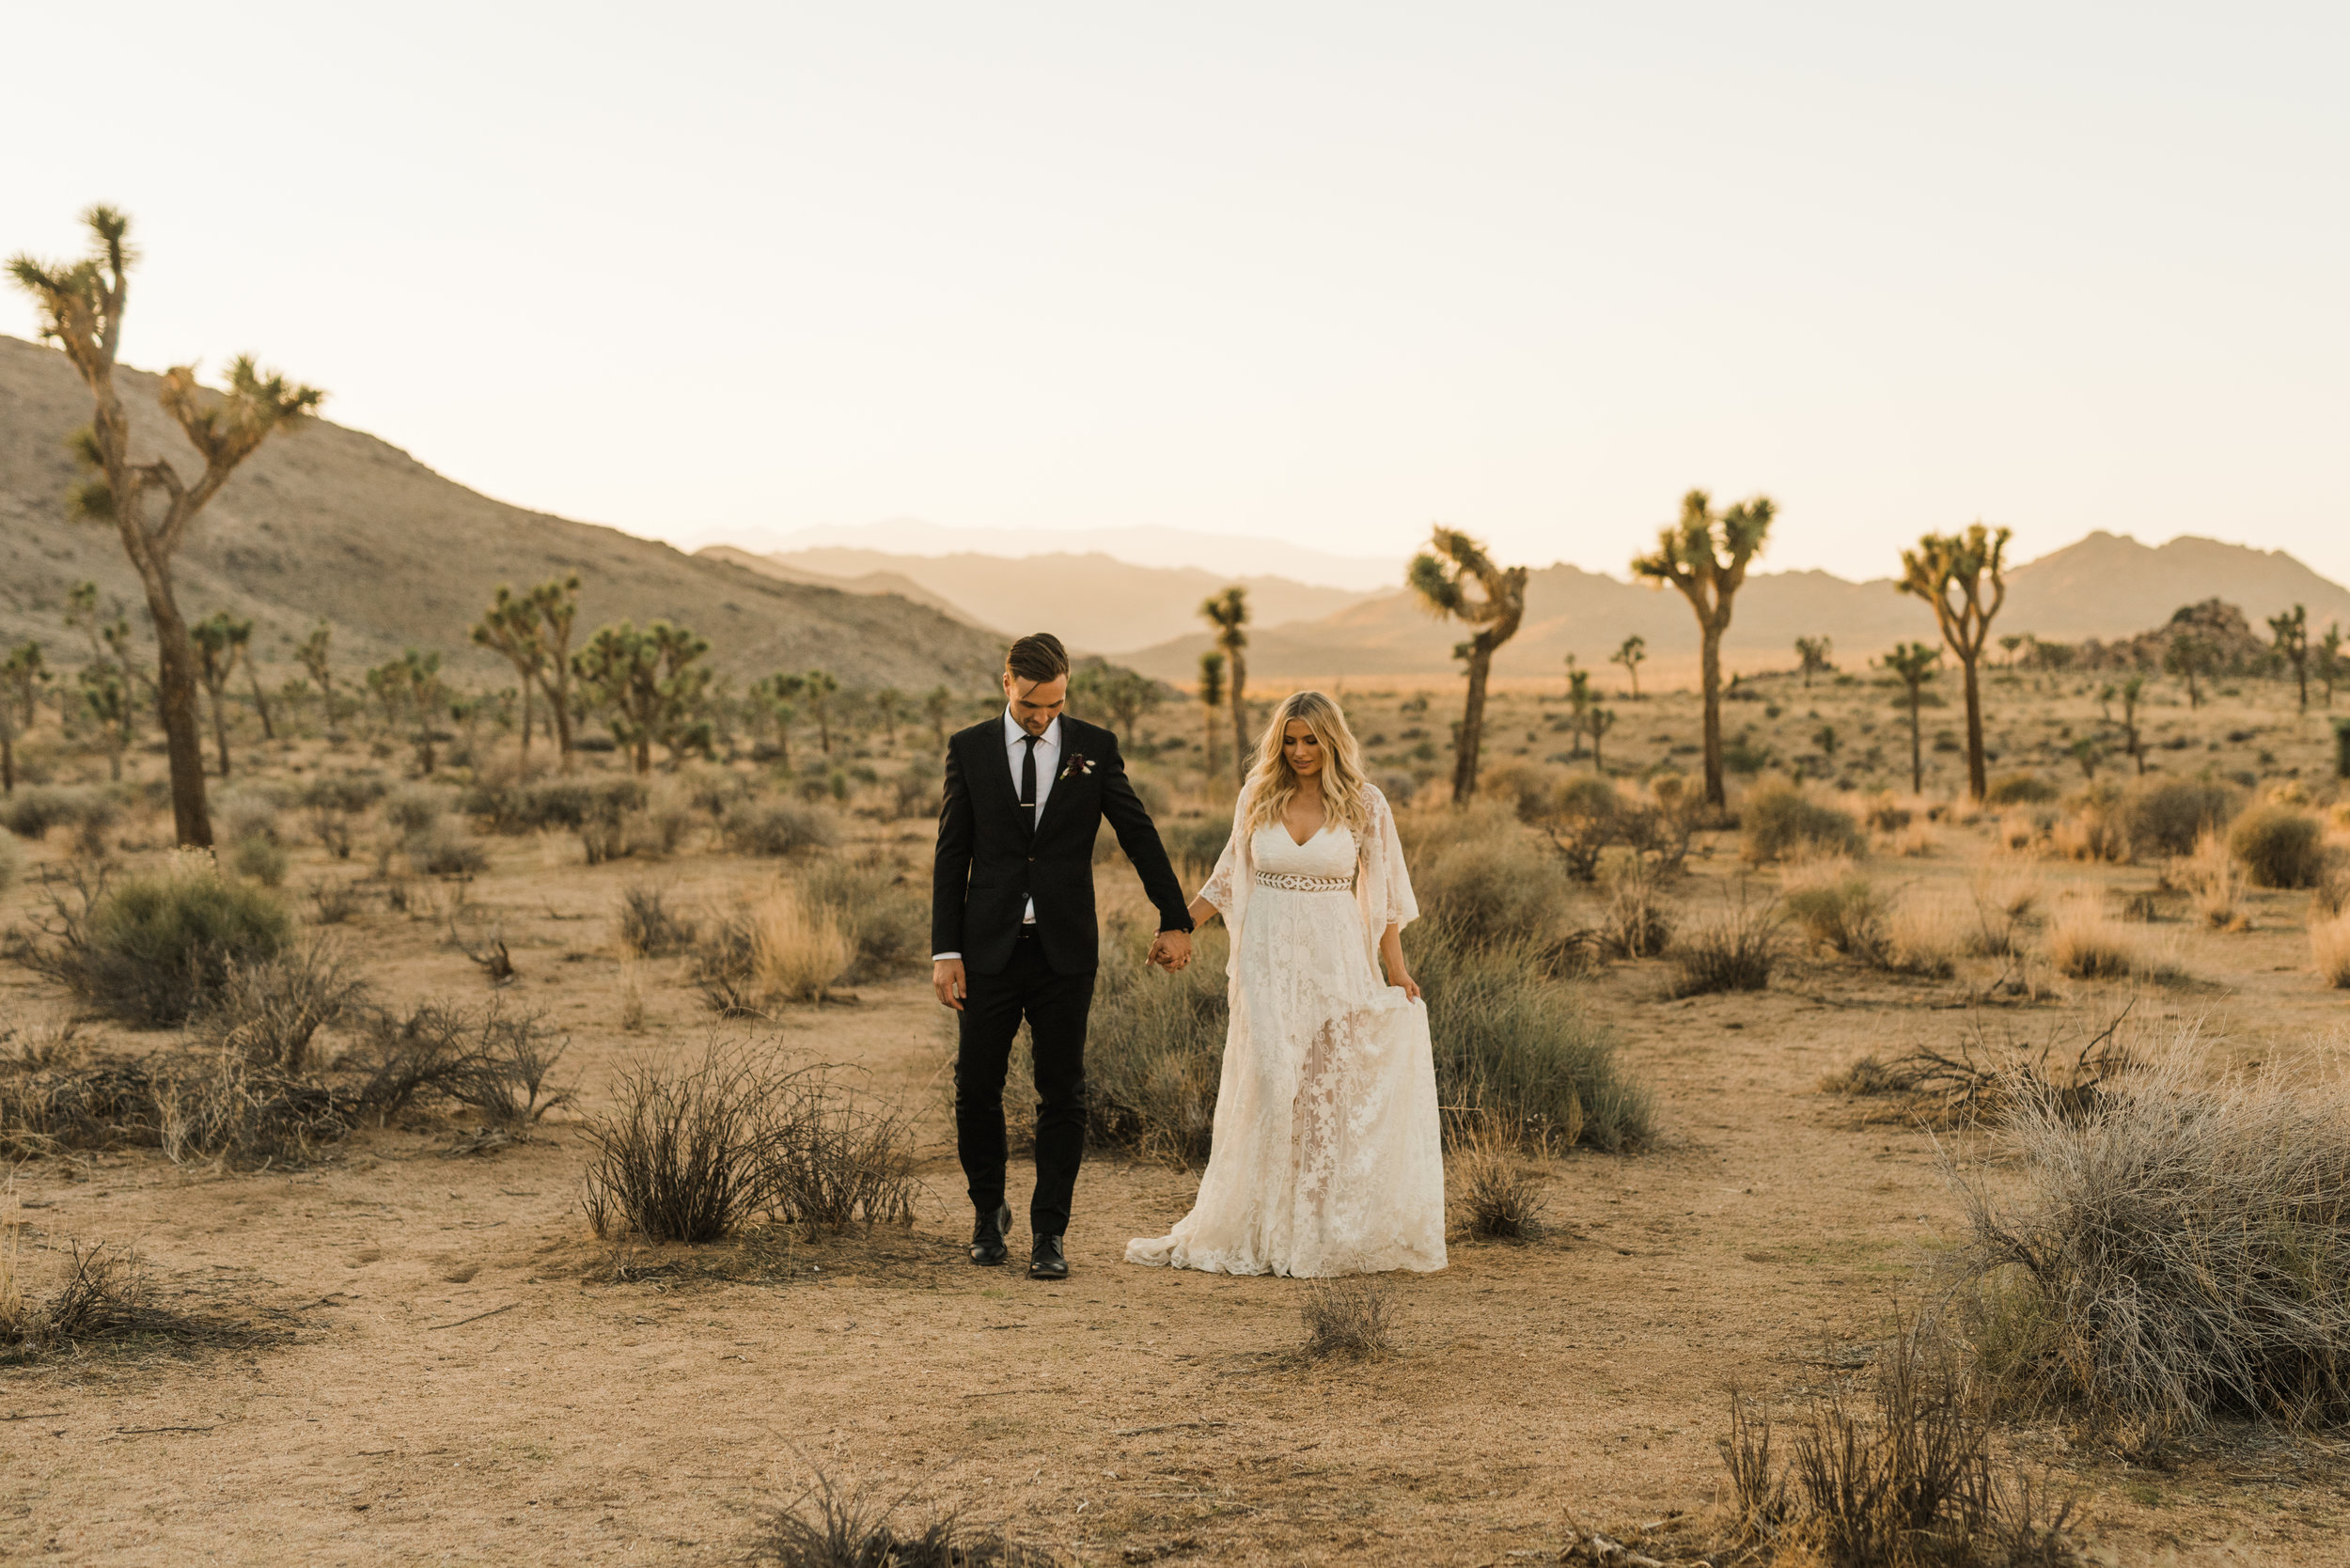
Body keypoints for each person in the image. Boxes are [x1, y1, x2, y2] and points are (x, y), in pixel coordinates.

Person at [1127, 690, 1446, 1278]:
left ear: (1332, 741)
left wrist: (1396, 970)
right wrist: (1178, 927)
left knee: (1327, 1092)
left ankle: (1313, 1230)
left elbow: (1386, 896)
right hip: (1268, 961)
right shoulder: (1258, 796)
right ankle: (1267, 1227)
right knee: (1276, 1085)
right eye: (1290, 741)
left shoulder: (1365, 805)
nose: (1300, 752)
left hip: (1338, 959)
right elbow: (1226, 877)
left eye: (1311, 740)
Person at [932, 633, 1195, 1281]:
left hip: (1064, 951)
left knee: (1062, 1093)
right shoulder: (969, 748)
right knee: (975, 1089)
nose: (1042, 717)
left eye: (1054, 705)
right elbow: (951, 854)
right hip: (986, 949)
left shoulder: (1093, 748)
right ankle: (988, 1213)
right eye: (1030, 706)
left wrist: (1175, 917)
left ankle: (1050, 1233)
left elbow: (1137, 833)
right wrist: (946, 950)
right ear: (1006, 685)